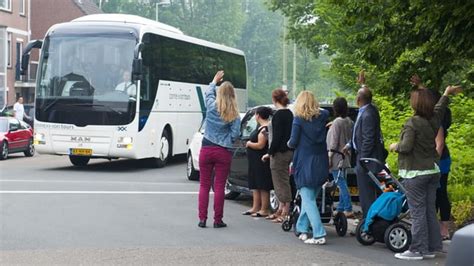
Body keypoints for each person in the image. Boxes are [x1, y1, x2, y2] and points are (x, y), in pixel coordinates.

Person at [389, 85, 461, 260]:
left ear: (415, 104)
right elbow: (440, 108)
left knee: (418, 211)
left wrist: (394, 146)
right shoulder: (433, 120)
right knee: (429, 210)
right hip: (432, 171)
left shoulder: (412, 123)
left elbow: (406, 147)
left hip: (415, 173)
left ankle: (417, 249)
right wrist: (445, 94)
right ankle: (431, 247)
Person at [198, 70, 240, 229]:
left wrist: (214, 81)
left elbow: (208, 94)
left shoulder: (211, 106)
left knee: (204, 185)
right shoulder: (234, 113)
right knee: (220, 186)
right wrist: (227, 141)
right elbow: (236, 133)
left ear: (219, 93)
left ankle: (202, 219)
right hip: (223, 151)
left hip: (207, 147)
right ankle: (218, 220)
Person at [411, 75, 452, 240]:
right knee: (434, 194)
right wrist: (420, 85)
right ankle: (434, 227)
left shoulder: (438, 120)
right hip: (438, 160)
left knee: (440, 193)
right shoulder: (434, 116)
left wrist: (431, 162)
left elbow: (439, 145)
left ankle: (444, 228)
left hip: (439, 160)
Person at [287, 91, 329, 245]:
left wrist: (288, 144)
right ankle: (302, 228)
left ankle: (319, 233)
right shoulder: (323, 117)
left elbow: (293, 142)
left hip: (304, 162)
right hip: (321, 162)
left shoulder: (298, 120)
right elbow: (326, 111)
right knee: (309, 199)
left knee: (308, 200)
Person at [343, 70, 385, 218]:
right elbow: (358, 134)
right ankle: (370, 219)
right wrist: (349, 145)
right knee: (367, 192)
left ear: (359, 99)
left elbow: (368, 139)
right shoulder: (367, 109)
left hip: (367, 160)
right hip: (362, 156)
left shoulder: (368, 114)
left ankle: (369, 221)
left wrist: (363, 159)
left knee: (367, 193)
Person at [262, 88, 293, 223]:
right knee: (283, 179)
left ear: (275, 99)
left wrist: (269, 153)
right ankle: (280, 208)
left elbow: (277, 137)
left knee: (280, 181)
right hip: (289, 151)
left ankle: (285, 211)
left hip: (279, 152)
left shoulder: (278, 116)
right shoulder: (290, 114)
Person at [242, 106, 274, 218]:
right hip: (254, 160)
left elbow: (261, 145)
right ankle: (255, 207)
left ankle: (264, 208)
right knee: (255, 183)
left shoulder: (264, 128)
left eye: (255, 114)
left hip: (261, 160)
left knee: (262, 184)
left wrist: (249, 144)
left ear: (258, 115)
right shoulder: (260, 127)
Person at [327, 97, 354, 218]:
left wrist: (329, 156)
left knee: (340, 183)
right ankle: (341, 208)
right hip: (346, 156)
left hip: (336, 156)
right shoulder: (349, 121)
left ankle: (348, 208)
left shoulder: (337, 122)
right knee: (343, 181)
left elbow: (333, 142)